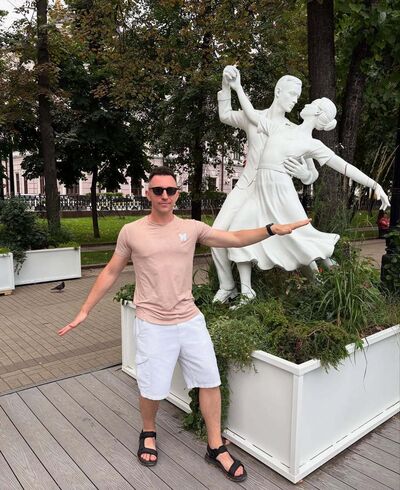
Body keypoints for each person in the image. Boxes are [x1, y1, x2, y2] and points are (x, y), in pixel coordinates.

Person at [58, 166, 310, 483]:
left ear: (177, 194)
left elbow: (234, 239)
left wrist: (271, 229)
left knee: (210, 381)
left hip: (190, 320)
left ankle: (215, 446)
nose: (165, 195)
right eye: (158, 190)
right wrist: (85, 310)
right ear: (148, 194)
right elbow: (110, 271)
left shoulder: (191, 228)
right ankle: (148, 432)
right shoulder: (131, 232)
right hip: (152, 323)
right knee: (152, 387)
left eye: (171, 190)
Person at [223, 68, 390, 292]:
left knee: (302, 238)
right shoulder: (280, 127)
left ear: (316, 112)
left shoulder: (312, 144)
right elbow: (252, 115)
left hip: (281, 192)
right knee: (239, 229)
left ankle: (334, 285)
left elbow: (344, 167)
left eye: (311, 103)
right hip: (261, 190)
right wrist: (237, 88)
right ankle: (246, 292)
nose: (303, 103)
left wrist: (374, 184)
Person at [212, 66, 319, 304]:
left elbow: (312, 175)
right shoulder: (253, 116)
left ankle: (319, 286)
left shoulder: (294, 130)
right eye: (292, 94)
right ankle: (228, 286)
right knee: (217, 234)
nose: (295, 100)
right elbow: (225, 114)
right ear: (278, 91)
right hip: (246, 186)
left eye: (298, 96)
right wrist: (227, 84)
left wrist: (304, 174)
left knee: (298, 237)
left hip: (276, 191)